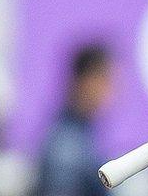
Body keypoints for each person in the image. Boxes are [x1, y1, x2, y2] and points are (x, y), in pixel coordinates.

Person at [34, 45, 113, 196]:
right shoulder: (67, 147)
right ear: (87, 81)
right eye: (106, 79)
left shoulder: (83, 135)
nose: (110, 90)